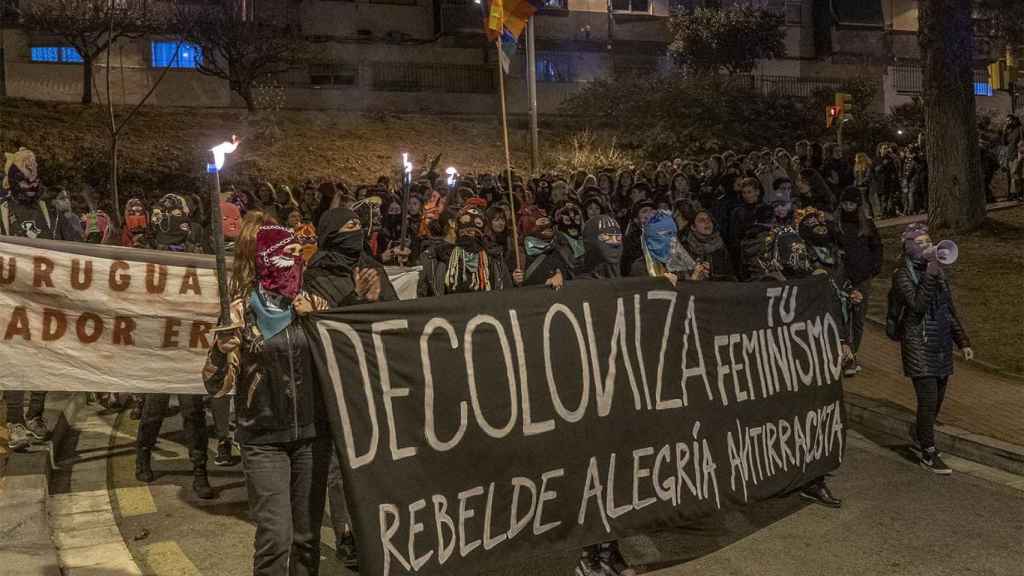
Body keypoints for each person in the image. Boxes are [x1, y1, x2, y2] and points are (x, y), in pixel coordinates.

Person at [204, 222, 331, 575]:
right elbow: (215, 385)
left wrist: (320, 321)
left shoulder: (314, 304)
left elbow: (341, 361)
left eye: (297, 256)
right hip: (263, 438)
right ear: (265, 260)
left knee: (306, 538)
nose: (294, 264)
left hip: (312, 437)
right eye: (285, 256)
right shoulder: (240, 312)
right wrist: (220, 351)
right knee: (276, 537)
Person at [304, 206, 396, 570]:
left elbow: (396, 315)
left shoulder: (373, 267)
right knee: (341, 467)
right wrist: (356, 301)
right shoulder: (315, 275)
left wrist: (377, 303)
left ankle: (376, 524)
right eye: (349, 227)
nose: (356, 233)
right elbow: (323, 325)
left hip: (375, 378)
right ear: (331, 234)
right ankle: (346, 535)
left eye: (360, 226)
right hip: (338, 382)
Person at [573, 214, 636, 576]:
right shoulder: (578, 279)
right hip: (591, 394)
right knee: (593, 478)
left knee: (620, 478)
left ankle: (611, 552)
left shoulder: (629, 279)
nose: (613, 240)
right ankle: (588, 555)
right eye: (605, 235)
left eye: (617, 233)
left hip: (622, 391)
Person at [891, 224, 973, 475]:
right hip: (917, 342)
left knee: (937, 398)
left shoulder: (936, 273)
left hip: (940, 344)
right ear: (911, 247)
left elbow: (947, 310)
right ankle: (928, 450)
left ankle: (920, 433)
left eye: (929, 241)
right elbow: (917, 305)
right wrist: (931, 273)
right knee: (927, 399)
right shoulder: (902, 275)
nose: (929, 246)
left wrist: (963, 342)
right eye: (922, 243)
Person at [1, 148, 54, 451]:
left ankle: (35, 416)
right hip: (11, 305)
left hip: (45, 303)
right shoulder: (2, 211)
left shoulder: (50, 211)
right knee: (15, 364)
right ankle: (14, 421)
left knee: (44, 362)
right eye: (24, 182)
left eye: (34, 183)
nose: (30, 189)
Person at [836, 187, 882, 375]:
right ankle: (846, 355)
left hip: (862, 276)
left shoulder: (867, 225)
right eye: (845, 203)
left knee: (859, 317)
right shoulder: (837, 224)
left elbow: (877, 247)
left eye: (852, 204)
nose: (848, 207)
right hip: (843, 277)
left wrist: (873, 268)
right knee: (843, 317)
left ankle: (853, 352)